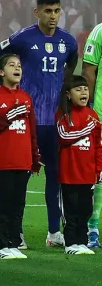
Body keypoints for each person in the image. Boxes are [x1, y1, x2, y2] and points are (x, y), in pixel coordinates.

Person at [0, 0, 79, 249]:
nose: (52, 16)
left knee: (57, 177)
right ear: (37, 12)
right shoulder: (23, 37)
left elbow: (70, 69)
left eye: (56, 11)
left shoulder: (69, 42)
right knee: (19, 177)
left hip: (54, 123)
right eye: (47, 11)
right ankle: (15, 233)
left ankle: (55, 232)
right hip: (26, 121)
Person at [0, 54, 41, 259]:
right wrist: (12, 113)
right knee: (4, 203)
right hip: (2, 161)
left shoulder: (26, 97)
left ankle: (14, 243)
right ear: (0, 72)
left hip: (22, 160)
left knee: (18, 204)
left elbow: (31, 131)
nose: (17, 69)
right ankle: (2, 245)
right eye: (11, 65)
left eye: (19, 66)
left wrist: (34, 157)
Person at [55, 76, 100, 255]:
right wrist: (87, 130)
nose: (83, 92)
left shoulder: (93, 115)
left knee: (85, 210)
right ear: (68, 94)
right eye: (78, 89)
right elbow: (64, 137)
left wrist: (99, 168)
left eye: (86, 89)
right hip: (69, 173)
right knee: (70, 210)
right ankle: (70, 242)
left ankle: (82, 241)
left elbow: (98, 145)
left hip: (87, 173)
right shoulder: (63, 114)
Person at [79, 22, 102, 248]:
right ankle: (92, 227)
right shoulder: (100, 31)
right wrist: (90, 109)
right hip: (101, 115)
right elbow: (88, 71)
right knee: (99, 175)